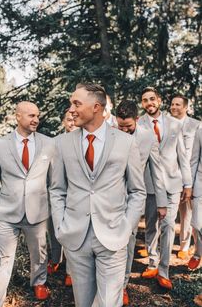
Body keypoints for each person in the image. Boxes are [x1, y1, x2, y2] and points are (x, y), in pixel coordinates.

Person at [50, 83, 146, 307]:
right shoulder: (62, 144)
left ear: (96, 107)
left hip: (114, 235)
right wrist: (60, 227)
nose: (71, 109)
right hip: (74, 236)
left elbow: (137, 190)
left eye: (76, 103)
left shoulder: (126, 142)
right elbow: (57, 189)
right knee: (82, 302)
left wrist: (127, 227)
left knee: (108, 303)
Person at [0, 101, 55, 307]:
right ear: (18, 116)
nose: (36, 120)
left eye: (37, 115)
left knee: (39, 252)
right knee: (2, 260)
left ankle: (39, 282)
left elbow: (55, 181)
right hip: (7, 212)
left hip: (38, 211)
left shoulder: (49, 144)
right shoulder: (0, 144)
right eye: (31, 115)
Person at [138, 87, 192, 289]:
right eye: (145, 100)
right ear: (142, 104)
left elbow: (182, 156)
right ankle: (152, 261)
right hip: (150, 184)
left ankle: (164, 269)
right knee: (152, 225)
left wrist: (187, 183)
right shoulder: (139, 124)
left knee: (169, 225)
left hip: (173, 183)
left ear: (159, 101)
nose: (149, 102)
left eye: (152, 99)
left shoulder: (174, 124)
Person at [116, 100, 167, 305]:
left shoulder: (148, 136)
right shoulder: (110, 132)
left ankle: (122, 285)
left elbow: (156, 169)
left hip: (134, 197)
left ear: (137, 119)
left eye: (128, 126)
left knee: (129, 241)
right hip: (110, 196)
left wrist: (161, 202)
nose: (124, 130)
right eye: (121, 126)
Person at [48, 108, 77, 286]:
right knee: (54, 228)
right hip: (56, 190)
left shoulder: (83, 139)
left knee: (73, 231)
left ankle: (71, 271)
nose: (72, 122)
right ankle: (56, 259)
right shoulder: (54, 142)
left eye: (74, 119)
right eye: (68, 119)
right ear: (63, 122)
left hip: (75, 193)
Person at [170, 94, 201, 259]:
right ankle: (155, 246)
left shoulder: (196, 126)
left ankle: (185, 246)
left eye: (178, 104)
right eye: (172, 104)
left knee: (188, 213)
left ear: (186, 107)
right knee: (166, 213)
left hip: (189, 176)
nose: (174, 107)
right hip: (170, 175)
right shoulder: (166, 123)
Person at [188, 127, 202, 270]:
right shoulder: (200, 131)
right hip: (200, 184)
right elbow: (194, 159)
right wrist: (190, 185)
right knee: (197, 224)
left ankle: (198, 255)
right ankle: (198, 252)